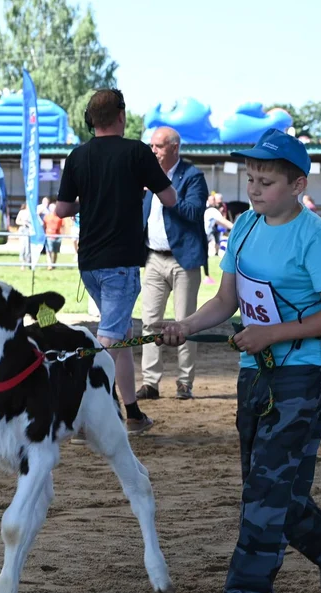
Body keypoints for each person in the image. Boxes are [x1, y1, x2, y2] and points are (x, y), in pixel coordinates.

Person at [154, 128, 321, 593]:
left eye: (265, 181)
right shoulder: (243, 228)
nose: (255, 189)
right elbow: (226, 302)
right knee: (271, 489)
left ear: (297, 184)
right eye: (251, 179)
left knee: (267, 490)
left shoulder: (317, 237)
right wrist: (185, 326)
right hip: (255, 375)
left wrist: (273, 335)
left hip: (303, 374)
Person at [56, 88, 177, 435]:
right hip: (120, 263)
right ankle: (76, 417)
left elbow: (63, 209)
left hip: (89, 263)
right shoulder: (137, 152)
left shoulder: (77, 156)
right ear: (121, 116)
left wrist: (89, 202)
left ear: (91, 120)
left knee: (121, 335)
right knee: (106, 343)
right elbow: (170, 199)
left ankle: (133, 414)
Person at [138, 126, 209, 402]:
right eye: (151, 146)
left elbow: (193, 212)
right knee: (149, 323)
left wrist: (164, 193)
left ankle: (184, 382)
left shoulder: (192, 176)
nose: (153, 151)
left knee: (185, 323)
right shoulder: (145, 176)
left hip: (184, 260)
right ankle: (150, 383)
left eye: (158, 146)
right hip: (153, 257)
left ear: (174, 148)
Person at [204, 193, 234, 258]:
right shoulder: (212, 210)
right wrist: (235, 227)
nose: (214, 201)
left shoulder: (205, 208)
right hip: (204, 233)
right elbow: (222, 221)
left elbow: (219, 221)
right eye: (212, 199)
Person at [43, 203, 64, 270]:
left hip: (57, 236)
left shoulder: (59, 217)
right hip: (49, 235)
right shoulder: (46, 217)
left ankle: (53, 264)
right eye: (52, 208)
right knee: (49, 251)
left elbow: (62, 226)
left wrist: (62, 234)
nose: (53, 209)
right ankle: (49, 265)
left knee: (55, 251)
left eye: (54, 208)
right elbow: (44, 225)